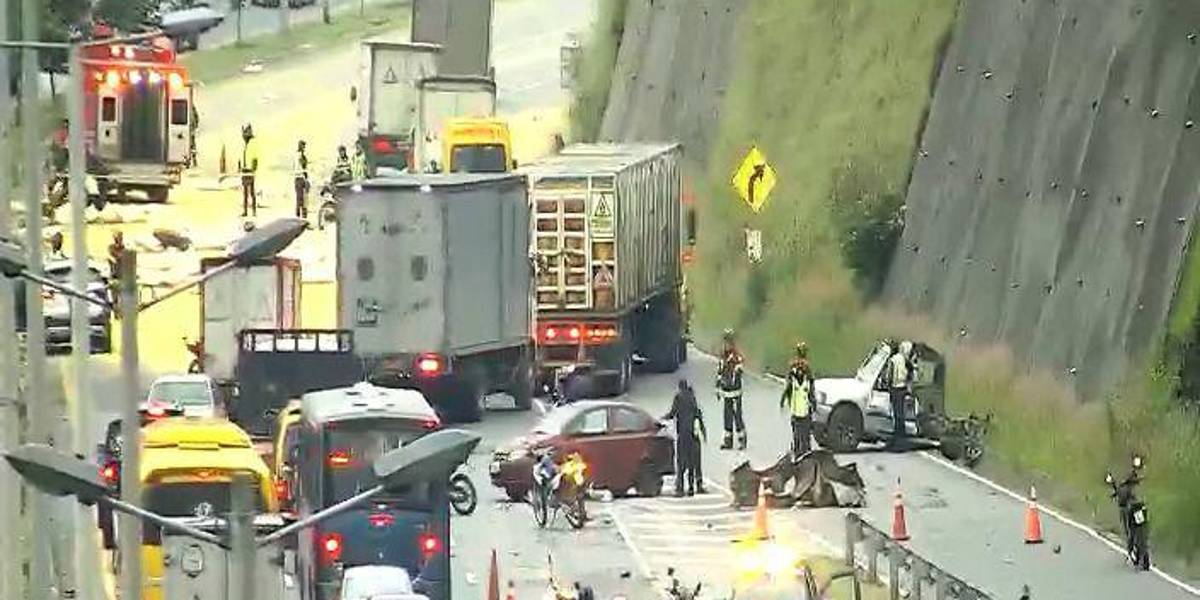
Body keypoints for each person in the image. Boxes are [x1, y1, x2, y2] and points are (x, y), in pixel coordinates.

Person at [663, 379, 707, 496]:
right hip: (693, 435)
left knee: (681, 462)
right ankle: (695, 486)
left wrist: (663, 419)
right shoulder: (692, 397)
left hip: (683, 434)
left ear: (680, 387)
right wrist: (703, 433)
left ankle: (680, 488)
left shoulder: (678, 397)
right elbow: (698, 414)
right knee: (694, 462)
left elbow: (672, 413)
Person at [781, 342, 815, 458]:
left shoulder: (795, 371)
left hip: (799, 410)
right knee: (802, 435)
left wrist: (783, 400)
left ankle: (800, 453)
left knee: (800, 435)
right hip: (801, 410)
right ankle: (802, 454)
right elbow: (811, 390)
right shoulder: (806, 372)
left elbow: (788, 389)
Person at [716, 328, 746, 450]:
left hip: (735, 392)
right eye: (725, 341)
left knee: (737, 416)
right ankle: (728, 440)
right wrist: (718, 388)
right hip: (726, 391)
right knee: (726, 416)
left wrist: (736, 368)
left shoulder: (736, 356)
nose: (726, 344)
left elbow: (738, 370)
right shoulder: (723, 355)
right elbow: (719, 372)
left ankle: (741, 440)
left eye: (728, 342)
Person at [887, 340, 914, 449]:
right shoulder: (906, 361)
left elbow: (889, 374)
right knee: (901, 413)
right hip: (902, 388)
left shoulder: (893, 360)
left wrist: (888, 386)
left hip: (895, 388)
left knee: (896, 413)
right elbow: (910, 375)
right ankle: (901, 435)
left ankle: (897, 436)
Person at [239, 124, 260, 217]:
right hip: (245, 171)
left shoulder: (251, 145)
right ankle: (246, 211)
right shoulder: (245, 146)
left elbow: (255, 159)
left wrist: (253, 169)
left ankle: (253, 211)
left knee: (251, 192)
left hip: (249, 171)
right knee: (246, 193)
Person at [293, 140, 309, 218]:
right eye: (303, 146)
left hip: (301, 177)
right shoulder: (299, 155)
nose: (304, 148)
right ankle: (299, 215)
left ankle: (301, 214)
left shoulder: (300, 155)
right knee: (300, 198)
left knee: (303, 197)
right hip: (299, 177)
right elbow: (303, 165)